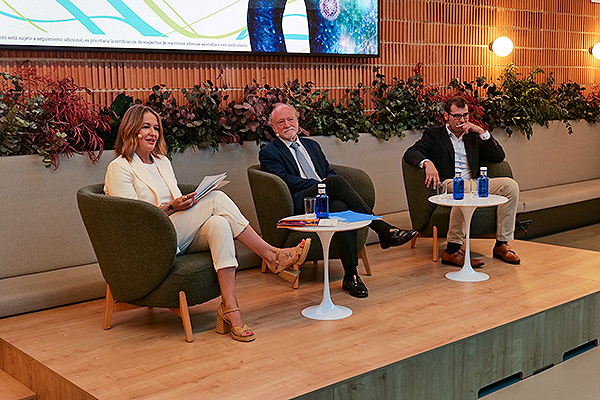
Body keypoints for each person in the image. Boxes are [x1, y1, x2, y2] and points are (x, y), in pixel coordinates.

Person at [104, 105, 311, 343]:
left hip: (175, 231)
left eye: (156, 128)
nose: (153, 133)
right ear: (132, 130)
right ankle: (271, 255)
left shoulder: (162, 162)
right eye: (146, 127)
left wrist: (185, 202)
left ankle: (230, 309)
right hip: (150, 240)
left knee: (220, 225)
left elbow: (172, 200)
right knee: (217, 199)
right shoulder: (119, 167)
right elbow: (131, 221)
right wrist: (172, 207)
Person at [259, 103, 417, 298]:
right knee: (334, 182)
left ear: (298, 122)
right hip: (302, 200)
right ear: (274, 128)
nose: (287, 124)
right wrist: (320, 184)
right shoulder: (269, 152)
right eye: (280, 122)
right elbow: (284, 181)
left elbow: (328, 172)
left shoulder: (312, 145)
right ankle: (382, 229)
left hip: (325, 197)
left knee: (341, 208)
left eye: (290, 119)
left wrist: (326, 184)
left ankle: (351, 276)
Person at [404, 95, 521, 267]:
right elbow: (411, 153)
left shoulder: (472, 135)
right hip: (449, 183)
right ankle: (452, 250)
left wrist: (481, 132)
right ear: (446, 116)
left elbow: (498, 156)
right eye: (457, 116)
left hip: (474, 182)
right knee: (463, 192)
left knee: (510, 186)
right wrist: (427, 162)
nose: (462, 120)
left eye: (465, 115)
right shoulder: (434, 135)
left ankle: (502, 244)